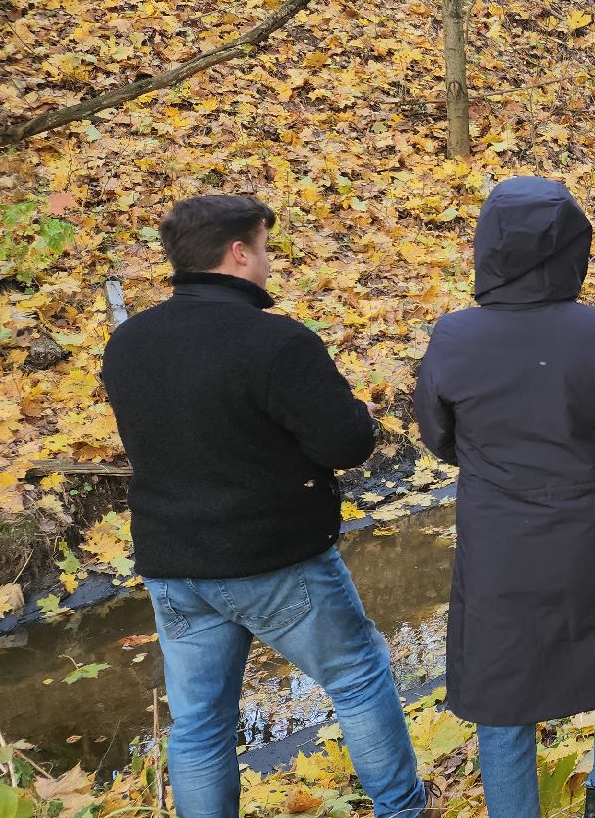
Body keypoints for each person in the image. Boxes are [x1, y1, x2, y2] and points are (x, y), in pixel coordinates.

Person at [100, 195, 431, 818]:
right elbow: (346, 445)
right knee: (358, 676)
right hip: (275, 560)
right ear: (238, 252)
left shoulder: (129, 342)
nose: (270, 260)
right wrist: (356, 414)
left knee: (200, 725)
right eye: (265, 246)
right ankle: (403, 810)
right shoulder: (276, 341)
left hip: (174, 564)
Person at [414, 177, 595, 818]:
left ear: (488, 249)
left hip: (500, 540)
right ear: (572, 248)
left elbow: (439, 436)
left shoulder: (453, 336)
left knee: (503, 679)